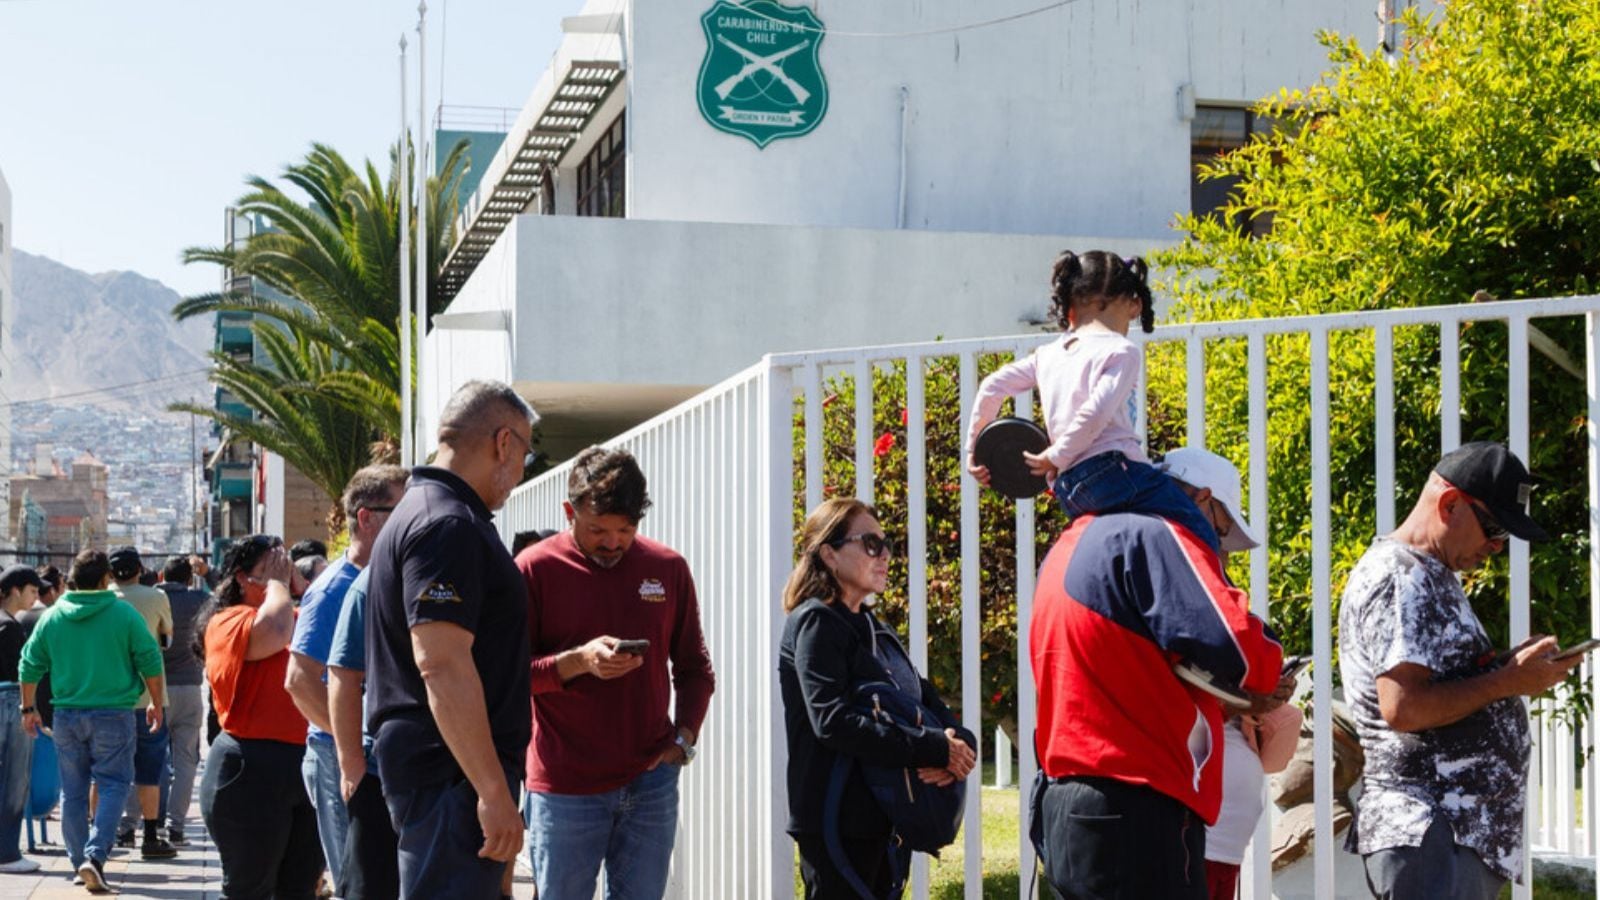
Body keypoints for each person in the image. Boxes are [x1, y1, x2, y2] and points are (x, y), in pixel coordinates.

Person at [1029, 446, 1286, 899]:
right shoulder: (1154, 535)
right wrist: (1265, 676)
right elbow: (1244, 653)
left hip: (1070, 802)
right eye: (1221, 530)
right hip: (1135, 805)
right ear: (1202, 500)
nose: (1218, 547)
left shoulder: (1073, 539)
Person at [1339, 442, 1582, 899]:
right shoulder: (1400, 576)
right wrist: (1509, 681)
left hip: (1449, 832)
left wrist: (1510, 667)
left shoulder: (1429, 573)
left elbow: (1444, 680)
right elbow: (1404, 707)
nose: (1495, 546)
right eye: (1493, 527)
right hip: (1430, 828)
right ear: (1449, 503)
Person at [519, 447, 717, 900]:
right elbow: (508, 675)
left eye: (625, 530)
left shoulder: (667, 569)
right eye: (597, 530)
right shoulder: (534, 569)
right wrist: (578, 661)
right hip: (564, 786)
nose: (612, 543)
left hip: (650, 782)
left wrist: (684, 740)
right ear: (569, 512)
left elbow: (695, 668)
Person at [366, 380, 536, 898]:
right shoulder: (448, 524)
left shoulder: (420, 511)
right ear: (503, 443)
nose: (522, 471)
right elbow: (440, 663)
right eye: (527, 452)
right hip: (452, 773)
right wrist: (490, 790)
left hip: (444, 768)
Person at [778, 498, 975, 898]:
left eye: (888, 544)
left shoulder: (873, 628)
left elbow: (928, 704)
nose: (884, 555)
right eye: (870, 543)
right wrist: (932, 749)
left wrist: (960, 747)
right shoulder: (816, 622)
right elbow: (831, 721)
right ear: (830, 554)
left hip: (882, 818)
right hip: (835, 820)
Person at [964, 250, 1220, 552]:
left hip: (1068, 488)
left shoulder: (1047, 355)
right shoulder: (1121, 350)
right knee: (1197, 527)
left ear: (1071, 305)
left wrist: (975, 451)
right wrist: (1056, 453)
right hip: (1113, 473)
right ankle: (1208, 591)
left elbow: (992, 385)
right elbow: (1095, 412)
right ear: (1131, 302)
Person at [285, 464, 407, 895]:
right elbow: (299, 679)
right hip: (341, 757)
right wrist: (349, 745)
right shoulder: (335, 588)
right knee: (355, 881)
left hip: (366, 756)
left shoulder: (386, 578)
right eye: (401, 508)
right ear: (366, 517)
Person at [20, 550, 164, 892]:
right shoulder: (122, 614)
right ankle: (95, 856)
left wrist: (29, 708)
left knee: (73, 792)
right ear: (105, 579)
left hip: (67, 714)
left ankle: (77, 862)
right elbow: (150, 659)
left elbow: (30, 663)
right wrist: (156, 703)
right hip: (114, 714)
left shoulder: (53, 616)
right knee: (114, 783)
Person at [198, 535, 322, 900]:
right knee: (249, 888)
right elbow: (274, 632)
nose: (281, 573)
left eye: (284, 565)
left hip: (303, 763)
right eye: (271, 567)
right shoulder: (228, 621)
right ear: (241, 578)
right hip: (249, 769)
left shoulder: (294, 613)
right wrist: (280, 587)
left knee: (299, 887)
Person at [326, 567, 398, 900]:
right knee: (371, 884)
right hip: (378, 771)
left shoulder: (476, 560)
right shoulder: (372, 581)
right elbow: (340, 672)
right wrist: (350, 759)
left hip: (454, 774)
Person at [106, 546, 177, 859]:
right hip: (150, 696)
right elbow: (167, 638)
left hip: (108, 697)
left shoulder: (102, 598)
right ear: (139, 569)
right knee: (150, 768)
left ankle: (103, 835)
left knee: (104, 771)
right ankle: (150, 835)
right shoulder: (155, 597)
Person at [154, 556, 209, 847]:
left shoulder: (153, 600)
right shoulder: (200, 599)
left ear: (162, 574)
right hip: (189, 687)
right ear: (190, 579)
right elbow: (225, 598)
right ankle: (176, 826)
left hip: (154, 690)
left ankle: (146, 820)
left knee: (153, 756)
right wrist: (207, 572)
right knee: (186, 759)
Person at [0, 566, 43, 874]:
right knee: (15, 780)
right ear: (15, 590)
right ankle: (7, 853)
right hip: (10, 702)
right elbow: (21, 675)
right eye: (32, 591)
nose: (36, 598)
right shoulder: (10, 628)